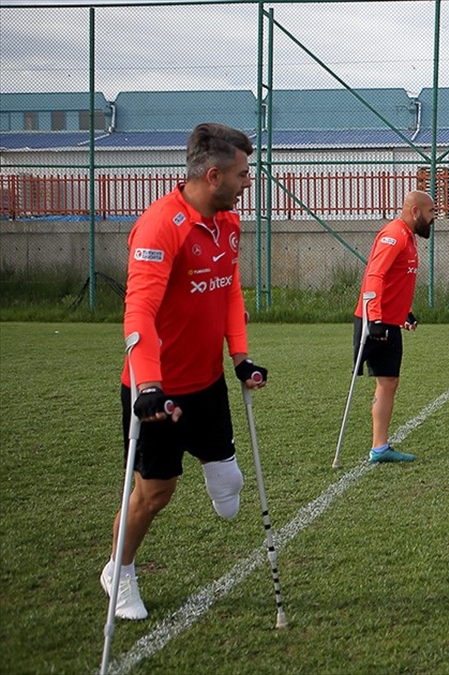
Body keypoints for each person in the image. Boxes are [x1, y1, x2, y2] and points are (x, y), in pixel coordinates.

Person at [105, 122, 269, 620]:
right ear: (213, 175)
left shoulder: (229, 224)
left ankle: (216, 467)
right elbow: (139, 312)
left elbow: (228, 291)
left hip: (208, 383)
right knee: (155, 493)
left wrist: (240, 357)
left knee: (228, 485)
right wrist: (149, 384)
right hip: (156, 390)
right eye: (243, 174)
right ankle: (120, 570)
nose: (248, 183)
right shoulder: (159, 226)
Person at [354, 190, 435, 463]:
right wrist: (374, 318)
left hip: (389, 320)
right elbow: (375, 274)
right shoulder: (395, 235)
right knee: (385, 381)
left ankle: (380, 447)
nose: (433, 218)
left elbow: (395, 283)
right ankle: (378, 446)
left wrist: (405, 313)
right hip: (376, 321)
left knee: (389, 381)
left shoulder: (409, 238)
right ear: (415, 212)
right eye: (431, 212)